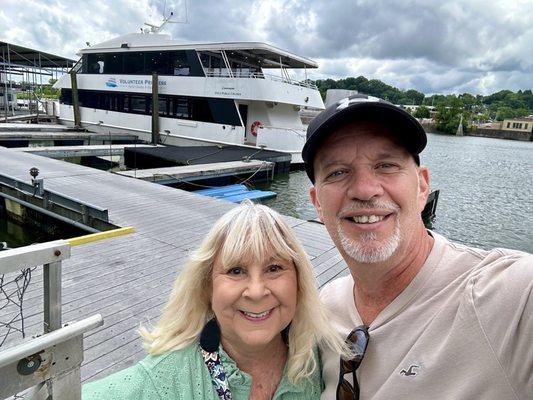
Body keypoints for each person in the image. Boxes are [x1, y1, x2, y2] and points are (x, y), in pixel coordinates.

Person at [301, 94, 533, 400]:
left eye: (386, 165)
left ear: (422, 187)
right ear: (318, 203)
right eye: (338, 172)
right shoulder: (324, 306)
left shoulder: (507, 296)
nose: (364, 190)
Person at [82, 201, 349, 400]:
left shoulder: (318, 357)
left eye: (274, 268)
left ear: (299, 282)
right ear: (206, 287)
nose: (256, 292)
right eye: (236, 271)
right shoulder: (163, 381)